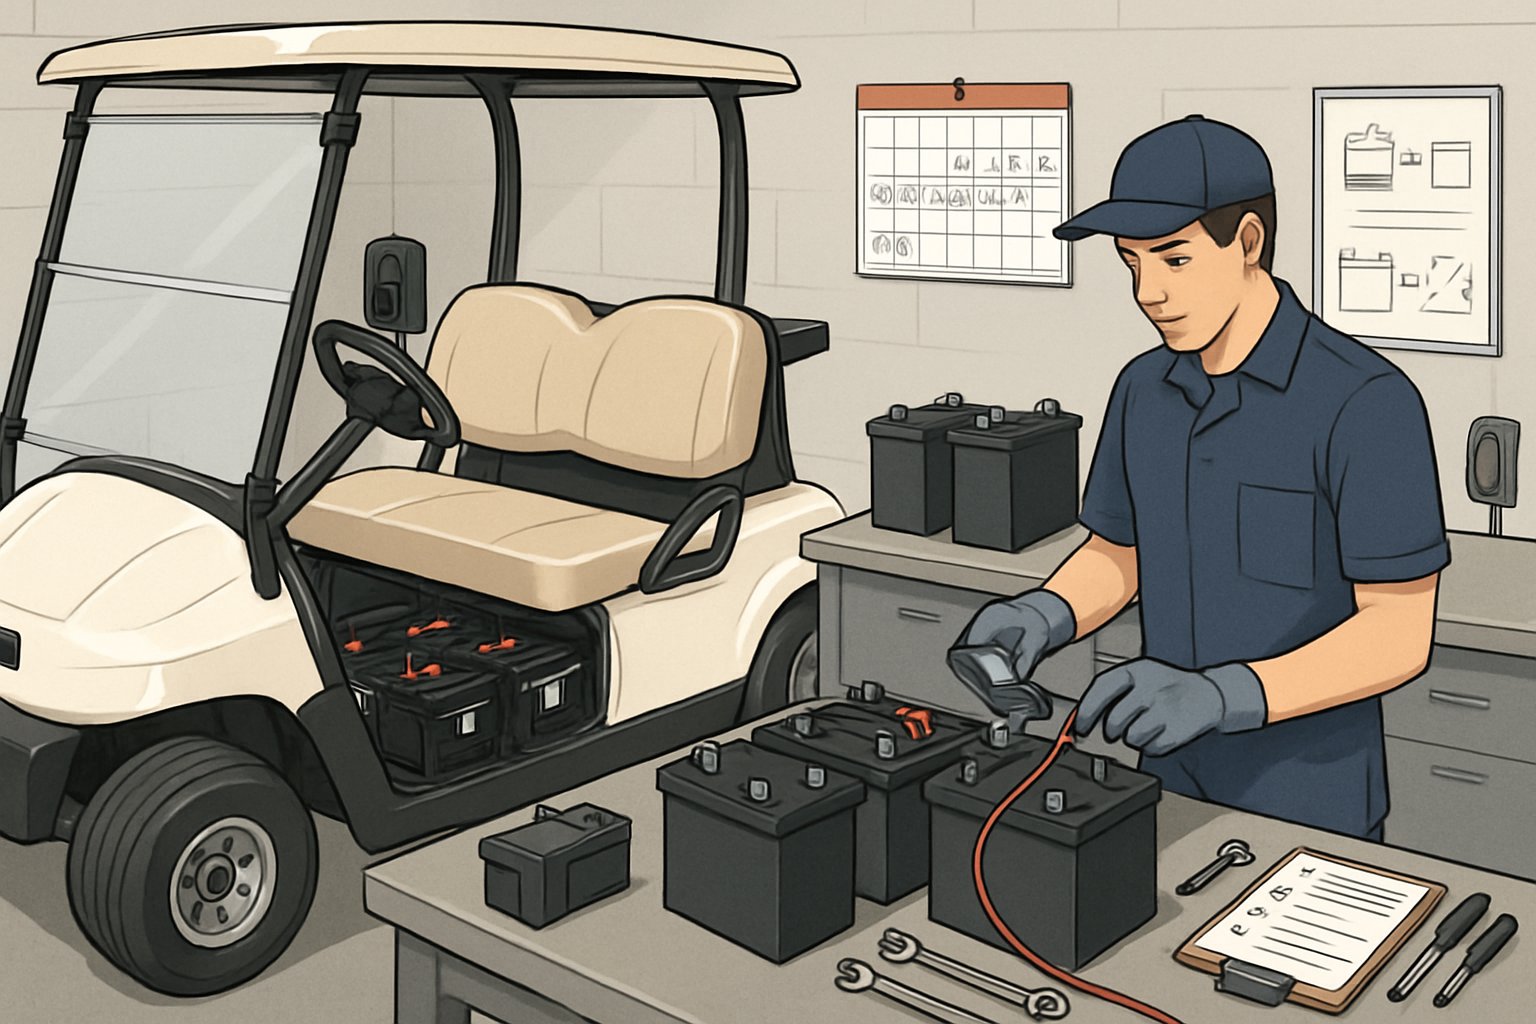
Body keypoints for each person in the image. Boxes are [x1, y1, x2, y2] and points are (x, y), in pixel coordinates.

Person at [949, 115, 1448, 840]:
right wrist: (1042, 614)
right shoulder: (1143, 390)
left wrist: (1227, 695)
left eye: (1173, 259)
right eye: (1131, 263)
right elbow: (1119, 554)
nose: (1147, 291)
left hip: (1309, 801)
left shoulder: (1367, 402)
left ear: (1248, 242)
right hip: (1164, 781)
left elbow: (1399, 632)